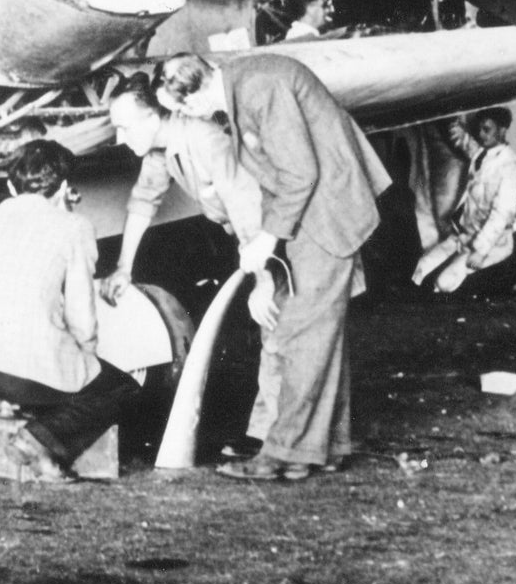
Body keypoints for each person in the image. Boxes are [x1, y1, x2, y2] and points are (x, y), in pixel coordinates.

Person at [155, 51, 390, 482]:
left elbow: (300, 173)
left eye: (184, 107)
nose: (188, 116)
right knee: (319, 335)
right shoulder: (247, 83)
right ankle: (322, 448)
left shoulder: (259, 87)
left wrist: (266, 239)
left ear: (197, 89)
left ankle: (282, 454)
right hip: (312, 213)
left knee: (301, 332)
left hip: (325, 216)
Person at [107, 73, 282, 457]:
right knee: (276, 335)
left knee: (280, 331)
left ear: (154, 116)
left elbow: (246, 203)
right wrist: (124, 267)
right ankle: (271, 434)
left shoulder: (203, 138)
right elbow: (143, 201)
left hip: (274, 233)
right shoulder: (160, 149)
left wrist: (264, 279)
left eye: (124, 127)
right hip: (250, 236)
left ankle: (276, 438)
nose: (119, 139)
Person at [0, 139, 142, 483]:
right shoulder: (75, 228)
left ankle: (10, 405)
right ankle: (38, 441)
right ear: (66, 188)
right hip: (26, 373)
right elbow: (81, 316)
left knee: (37, 360)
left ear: (10, 186)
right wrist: (86, 361)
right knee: (120, 388)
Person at [412, 107, 516, 294]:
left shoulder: (510, 168)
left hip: (494, 243)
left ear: (503, 130)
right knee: (421, 267)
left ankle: (509, 270)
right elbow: (465, 142)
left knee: (444, 283)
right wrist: (452, 121)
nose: (481, 134)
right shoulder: (482, 155)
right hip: (464, 236)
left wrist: (481, 251)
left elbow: (502, 215)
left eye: (487, 129)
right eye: (480, 129)